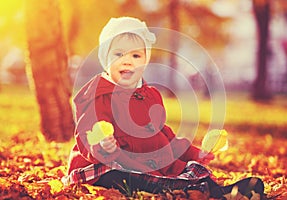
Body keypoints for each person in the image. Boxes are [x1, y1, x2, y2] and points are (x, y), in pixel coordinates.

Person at [63, 16, 264, 199]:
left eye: (136, 56)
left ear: (145, 61)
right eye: (118, 54)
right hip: (107, 164)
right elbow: (86, 133)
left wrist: (193, 153)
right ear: (106, 59)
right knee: (123, 176)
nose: (127, 60)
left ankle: (220, 192)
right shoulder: (98, 94)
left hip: (147, 163)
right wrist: (102, 146)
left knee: (186, 168)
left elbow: (163, 135)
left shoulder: (149, 95)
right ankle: (186, 190)